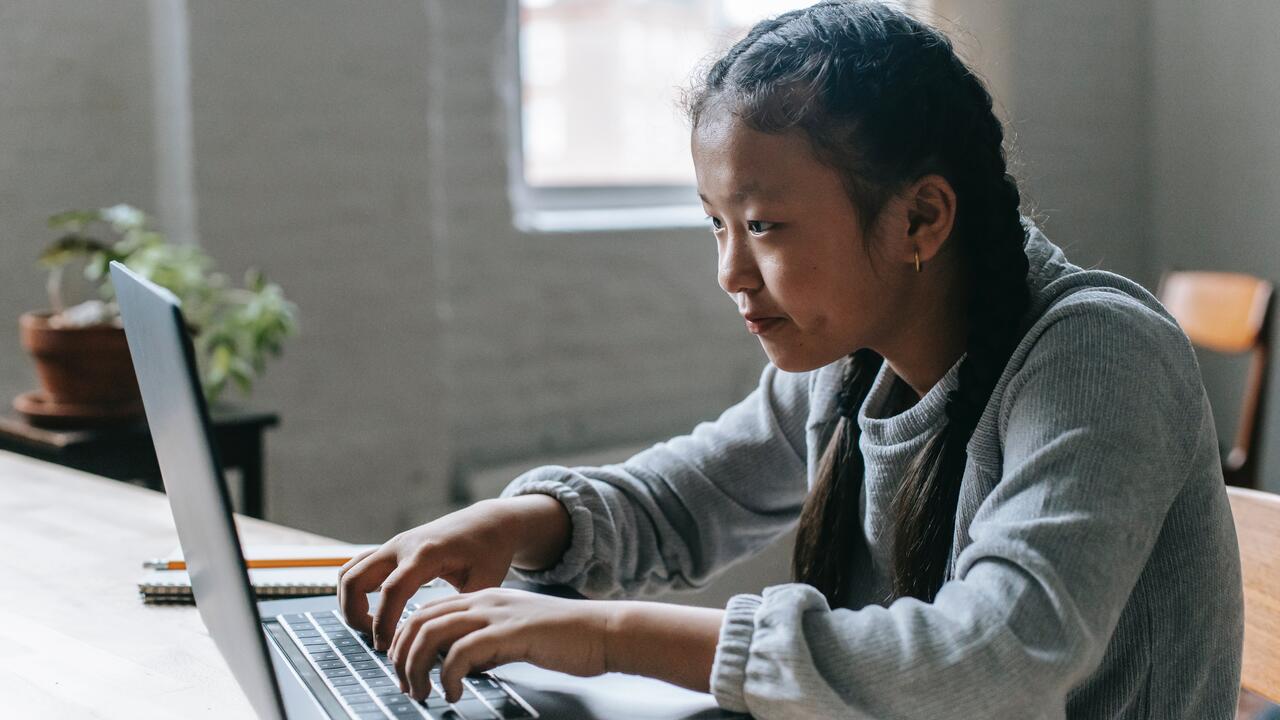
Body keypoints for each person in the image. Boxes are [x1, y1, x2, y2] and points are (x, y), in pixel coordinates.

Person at [338, 1, 1244, 717]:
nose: (731, 272)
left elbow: (994, 658)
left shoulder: (1096, 354)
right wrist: (514, 524)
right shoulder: (844, 362)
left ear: (921, 219)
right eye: (717, 224)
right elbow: (685, 498)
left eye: (765, 226)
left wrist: (610, 634)